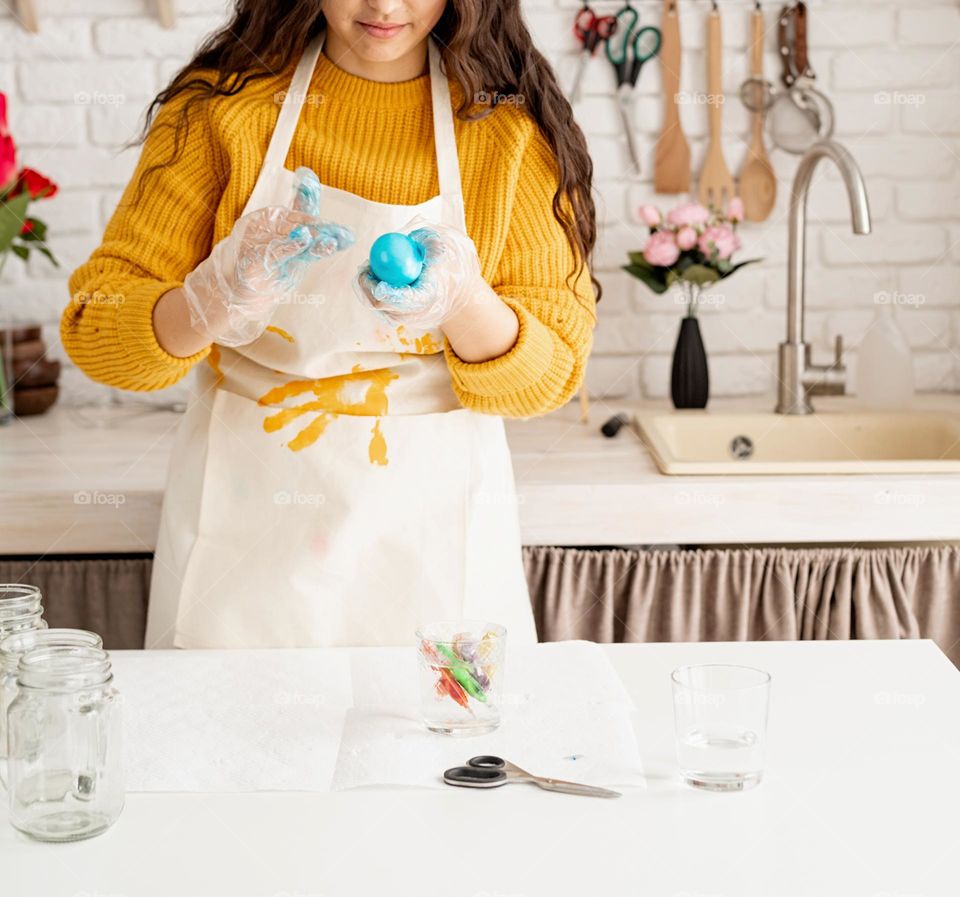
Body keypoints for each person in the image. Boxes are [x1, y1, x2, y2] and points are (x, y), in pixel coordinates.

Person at [61, 0, 598, 648]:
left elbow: (552, 374)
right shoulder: (223, 109)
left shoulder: (507, 130)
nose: (384, 6)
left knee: (431, 716)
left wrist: (463, 302)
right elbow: (95, 330)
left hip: (434, 533)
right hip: (244, 533)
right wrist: (211, 299)